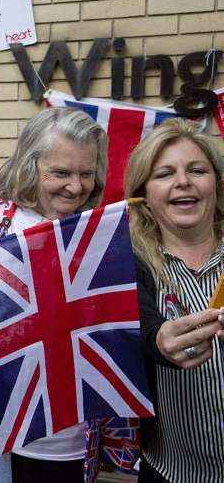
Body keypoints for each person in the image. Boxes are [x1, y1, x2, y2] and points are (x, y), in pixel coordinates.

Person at [0, 106, 137, 483]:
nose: (75, 186)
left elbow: (116, 342)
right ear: (29, 165)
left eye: (86, 173)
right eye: (61, 173)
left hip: (68, 442)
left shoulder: (100, 237)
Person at [124, 118, 224, 482]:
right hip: (172, 472)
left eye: (197, 170)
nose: (184, 181)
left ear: (216, 183)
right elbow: (141, 323)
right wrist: (158, 341)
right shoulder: (125, 262)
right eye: (165, 173)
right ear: (144, 195)